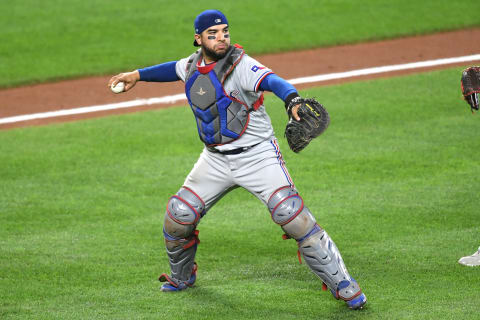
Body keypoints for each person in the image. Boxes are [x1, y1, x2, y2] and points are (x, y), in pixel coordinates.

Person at [108, 9, 367, 310]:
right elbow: (171, 69)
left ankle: (344, 284)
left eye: (225, 32)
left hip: (257, 155)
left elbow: (273, 81)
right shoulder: (192, 65)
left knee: (292, 215)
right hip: (215, 160)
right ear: (198, 38)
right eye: (213, 34)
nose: (221, 38)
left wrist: (292, 99)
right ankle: (181, 277)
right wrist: (136, 76)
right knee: (179, 216)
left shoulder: (242, 66)